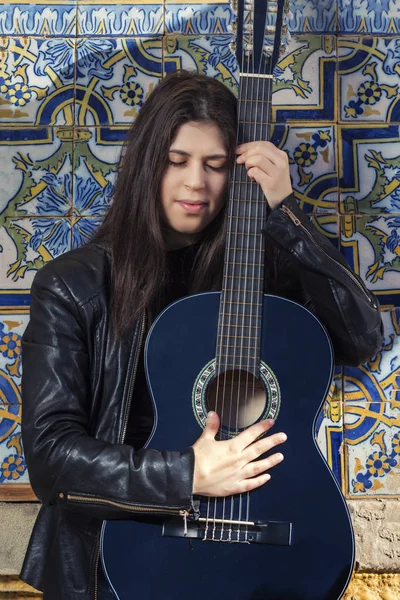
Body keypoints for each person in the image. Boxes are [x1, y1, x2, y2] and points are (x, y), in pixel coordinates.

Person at [20, 71, 383, 599]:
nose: (196, 183)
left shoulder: (266, 283)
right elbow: (51, 458)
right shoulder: (74, 286)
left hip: (270, 545)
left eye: (216, 166)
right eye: (176, 161)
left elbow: (363, 337)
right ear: (148, 164)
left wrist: (286, 213)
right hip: (113, 558)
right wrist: (186, 474)